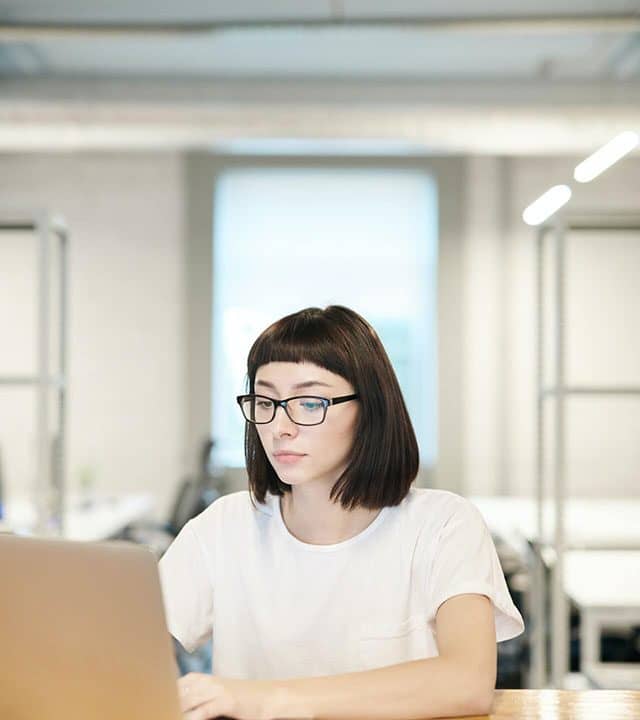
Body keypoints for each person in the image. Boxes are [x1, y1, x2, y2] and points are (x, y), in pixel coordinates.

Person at [159, 305, 525, 720]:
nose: (280, 427)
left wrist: (267, 700)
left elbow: (467, 683)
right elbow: (122, 648)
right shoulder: (223, 527)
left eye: (310, 402)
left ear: (369, 409)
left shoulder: (444, 524)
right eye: (266, 401)